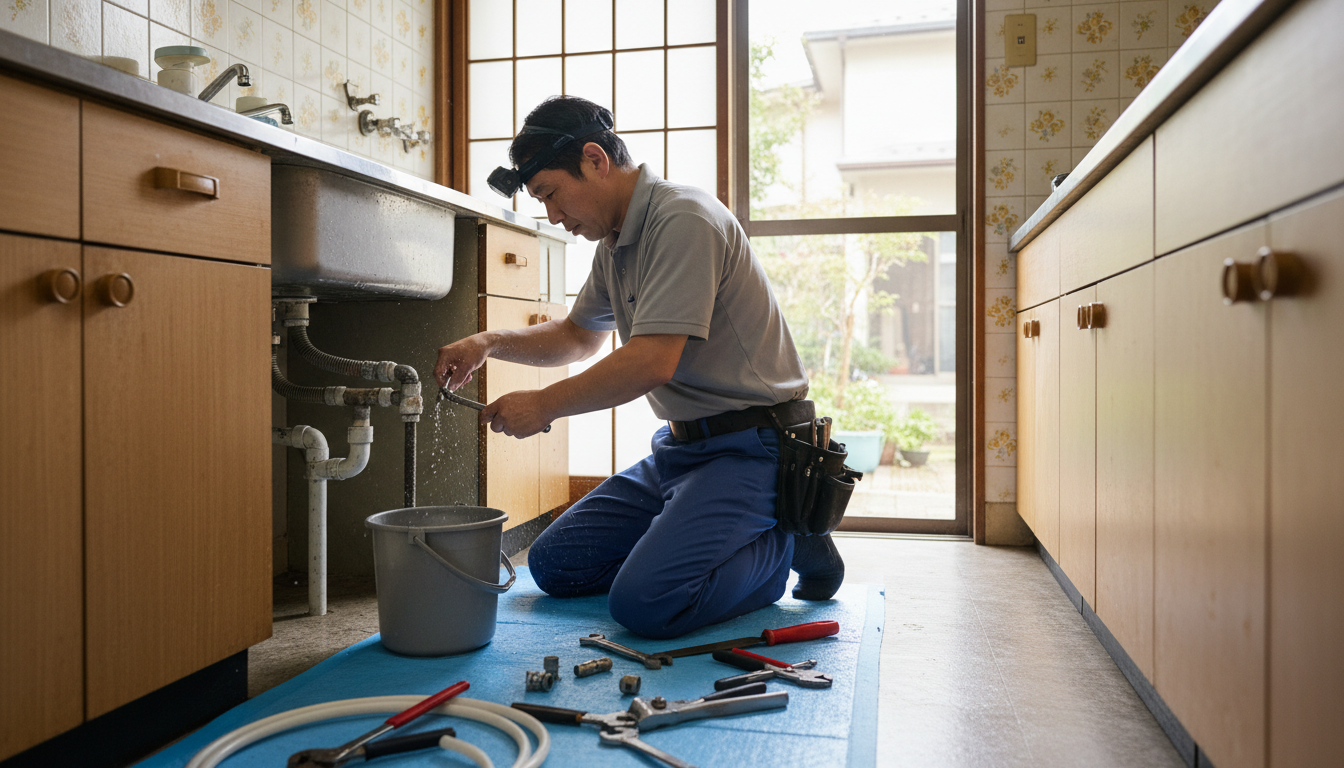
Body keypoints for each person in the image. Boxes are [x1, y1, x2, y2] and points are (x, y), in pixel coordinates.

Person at [434, 95, 845, 640]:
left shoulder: (683, 219)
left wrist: (543, 405)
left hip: (755, 448)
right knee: (556, 566)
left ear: (595, 160)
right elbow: (578, 336)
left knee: (646, 604)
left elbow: (652, 361)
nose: (552, 215)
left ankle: (788, 537)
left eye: (551, 194)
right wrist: (488, 342)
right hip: (682, 452)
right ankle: (711, 532)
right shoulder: (615, 242)